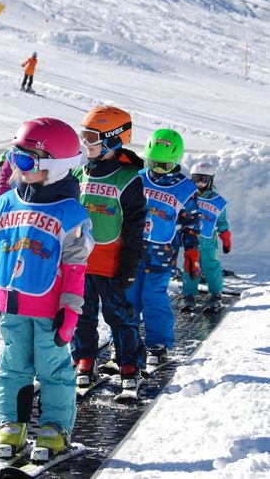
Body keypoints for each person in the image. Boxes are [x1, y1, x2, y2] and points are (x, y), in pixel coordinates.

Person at [0, 117, 94, 461]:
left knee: (53, 369)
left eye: (27, 160)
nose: (18, 167)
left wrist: (70, 310)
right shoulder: (3, 204)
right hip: (11, 304)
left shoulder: (69, 213)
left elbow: (76, 269)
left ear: (55, 167)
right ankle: (12, 425)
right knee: (11, 366)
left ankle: (54, 427)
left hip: (50, 309)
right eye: (15, 158)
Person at [71, 105, 147, 394]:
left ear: (114, 139)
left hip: (111, 265)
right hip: (79, 263)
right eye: (84, 136)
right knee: (81, 315)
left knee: (119, 316)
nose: (85, 143)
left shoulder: (127, 179)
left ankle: (129, 363)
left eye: (92, 137)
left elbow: (135, 227)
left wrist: (129, 266)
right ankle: (85, 359)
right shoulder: (78, 173)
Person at [125, 128, 200, 368]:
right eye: (153, 163)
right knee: (129, 296)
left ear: (176, 162)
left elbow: (191, 224)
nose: (156, 170)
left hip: (163, 254)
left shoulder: (185, 189)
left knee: (154, 297)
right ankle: (126, 337)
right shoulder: (137, 177)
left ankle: (158, 343)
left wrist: (192, 252)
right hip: (132, 250)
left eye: (163, 166)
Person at [181, 161, 231, 313]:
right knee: (190, 266)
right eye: (197, 179)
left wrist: (225, 237)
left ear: (211, 180)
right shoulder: (187, 197)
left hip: (209, 241)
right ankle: (189, 295)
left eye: (204, 179)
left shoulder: (216, 200)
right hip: (191, 240)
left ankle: (216, 294)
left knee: (212, 266)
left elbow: (221, 221)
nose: (200, 183)